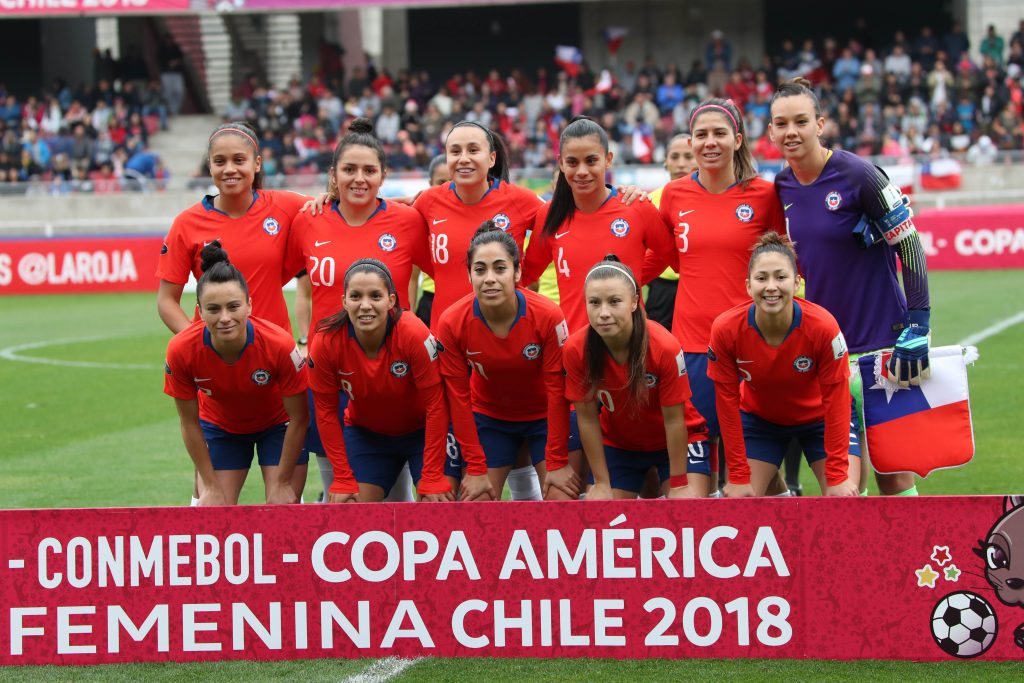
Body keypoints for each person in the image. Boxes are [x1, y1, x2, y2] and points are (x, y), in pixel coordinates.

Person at [769, 77, 932, 497]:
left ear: (820, 123)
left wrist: (919, 325)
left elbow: (910, 245)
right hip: (828, 354)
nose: (791, 132)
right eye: (781, 123)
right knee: (842, 486)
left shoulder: (859, 174)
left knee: (894, 475)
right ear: (770, 131)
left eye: (801, 121)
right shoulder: (780, 187)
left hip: (883, 348)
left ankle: (913, 562)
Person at [157, 121, 312, 505]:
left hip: (277, 379)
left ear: (257, 163)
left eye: (239, 160)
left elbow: (338, 206)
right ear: (208, 167)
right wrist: (202, 343)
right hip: (220, 395)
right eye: (219, 161)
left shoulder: (287, 207)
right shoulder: (187, 224)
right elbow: (166, 300)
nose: (230, 169)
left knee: (285, 512)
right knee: (212, 516)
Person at [286, 118, 433, 503]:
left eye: (369, 170)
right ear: (332, 175)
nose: (359, 179)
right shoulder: (308, 219)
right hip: (332, 370)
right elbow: (295, 283)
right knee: (341, 490)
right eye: (349, 170)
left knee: (398, 490)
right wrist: (302, 339)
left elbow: (447, 272)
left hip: (396, 369)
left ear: (384, 174)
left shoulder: (408, 221)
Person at [645, 98, 786, 494]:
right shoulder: (673, 196)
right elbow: (660, 256)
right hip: (692, 345)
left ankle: (784, 520)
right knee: (695, 481)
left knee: (753, 467)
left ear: (738, 140)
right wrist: (614, 282)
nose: (711, 142)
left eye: (720, 133)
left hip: (753, 345)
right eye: (701, 135)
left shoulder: (764, 194)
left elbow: (787, 259)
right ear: (690, 142)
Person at [708, 233, 861, 497]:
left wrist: (837, 475)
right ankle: (780, 492)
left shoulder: (823, 326)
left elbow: (837, 400)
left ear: (797, 282)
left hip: (821, 421)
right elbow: (727, 404)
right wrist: (739, 475)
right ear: (747, 285)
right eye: (761, 278)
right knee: (739, 500)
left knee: (841, 500)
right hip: (760, 421)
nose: (771, 286)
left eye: (781, 277)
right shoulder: (726, 329)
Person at [437, 223, 578, 501]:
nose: (489, 278)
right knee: (476, 502)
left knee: (562, 500)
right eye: (480, 270)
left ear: (518, 272)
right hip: (490, 417)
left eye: (500, 268)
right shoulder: (452, 321)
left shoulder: (548, 315)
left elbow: (557, 390)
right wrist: (475, 468)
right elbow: (458, 398)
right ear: (469, 275)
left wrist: (557, 460)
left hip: (546, 418)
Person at [163, 242, 309, 506]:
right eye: (213, 309)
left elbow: (299, 418)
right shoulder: (181, 350)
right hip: (221, 427)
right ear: (200, 309)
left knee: (282, 507)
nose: (225, 318)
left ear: (249, 305)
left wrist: (282, 481)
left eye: (233, 306)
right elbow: (188, 423)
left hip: (278, 425)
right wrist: (208, 485)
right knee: (213, 512)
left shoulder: (279, 344)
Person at [563, 257, 709, 499]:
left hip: (677, 440)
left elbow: (675, 422)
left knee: (686, 509)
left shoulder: (664, 347)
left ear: (634, 302)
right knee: (602, 515)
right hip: (620, 446)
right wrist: (600, 482)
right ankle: (645, 485)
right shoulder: (575, 349)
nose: (604, 313)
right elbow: (587, 419)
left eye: (615, 302)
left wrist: (679, 483)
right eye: (594, 303)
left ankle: (659, 484)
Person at [307, 259, 452, 502]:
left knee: (438, 503)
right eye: (355, 297)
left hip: (422, 432)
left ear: (391, 300)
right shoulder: (326, 342)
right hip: (368, 435)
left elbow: (436, 404)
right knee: (353, 507)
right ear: (344, 301)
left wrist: (433, 474)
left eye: (375, 296)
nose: (365, 305)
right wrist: (342, 477)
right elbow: (325, 412)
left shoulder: (412, 332)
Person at [521, 116, 675, 332]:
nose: (582, 171)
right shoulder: (550, 214)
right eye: (573, 162)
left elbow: (671, 256)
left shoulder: (636, 206)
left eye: (591, 160)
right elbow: (525, 275)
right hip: (574, 351)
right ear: (561, 163)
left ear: (608, 159)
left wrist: (632, 277)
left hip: (630, 347)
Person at [646, 132, 697, 330]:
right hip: (661, 290)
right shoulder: (650, 201)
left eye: (688, 156)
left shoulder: (710, 198)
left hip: (697, 284)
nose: (681, 164)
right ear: (666, 162)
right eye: (674, 157)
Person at [413, 153, 450, 327]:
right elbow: (412, 278)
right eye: (441, 182)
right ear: (430, 184)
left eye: (453, 181)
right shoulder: (422, 218)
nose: (448, 187)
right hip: (430, 301)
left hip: (469, 300)